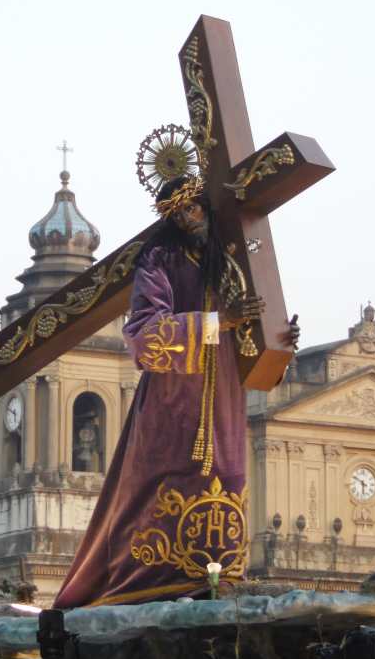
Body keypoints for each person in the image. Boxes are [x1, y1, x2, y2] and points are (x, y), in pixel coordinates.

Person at [54, 175, 299, 608]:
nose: (189, 218)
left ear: (206, 204)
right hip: (173, 395)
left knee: (228, 476)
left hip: (225, 394)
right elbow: (143, 334)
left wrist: (278, 341)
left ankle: (219, 576)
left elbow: (253, 338)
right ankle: (156, 578)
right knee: (167, 478)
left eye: (194, 207)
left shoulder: (231, 258)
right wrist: (219, 322)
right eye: (178, 213)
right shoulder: (160, 259)